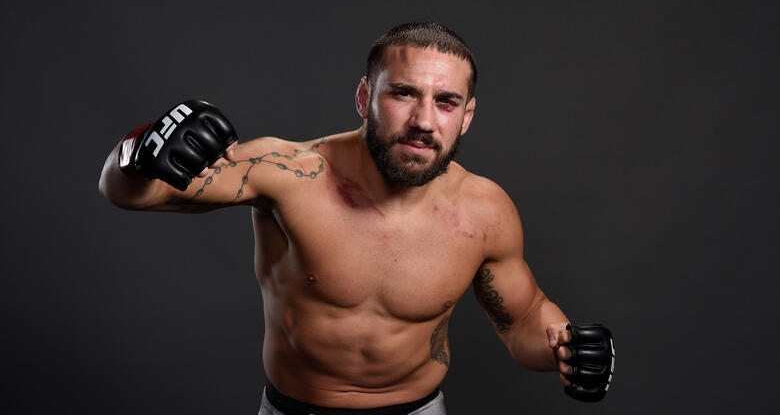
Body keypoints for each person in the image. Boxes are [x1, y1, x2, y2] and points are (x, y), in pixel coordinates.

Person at [99, 22, 614, 414]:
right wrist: (139, 151)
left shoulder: (485, 211)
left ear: (466, 116)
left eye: (446, 102)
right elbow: (130, 194)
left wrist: (566, 350)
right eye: (404, 93)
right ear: (365, 97)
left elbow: (522, 318)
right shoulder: (289, 171)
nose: (424, 120)